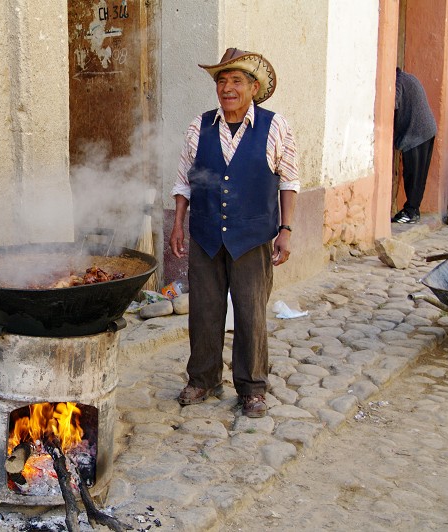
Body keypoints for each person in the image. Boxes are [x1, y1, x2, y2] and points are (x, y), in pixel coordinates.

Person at [168, 48, 299, 418]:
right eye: (221, 81)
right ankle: (204, 378)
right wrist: (178, 223)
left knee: (250, 312)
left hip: (253, 235)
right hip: (206, 233)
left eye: (236, 81)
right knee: (204, 311)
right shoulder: (200, 126)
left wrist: (285, 230)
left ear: (253, 88)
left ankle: (252, 387)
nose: (227, 88)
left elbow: (289, 181)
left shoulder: (276, 127)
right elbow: (183, 181)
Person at [391, 67, 437, 224]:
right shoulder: (408, 77)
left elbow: (393, 102)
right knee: (419, 175)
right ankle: (414, 210)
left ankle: (410, 212)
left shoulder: (397, 81)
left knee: (412, 173)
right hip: (427, 130)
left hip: (416, 132)